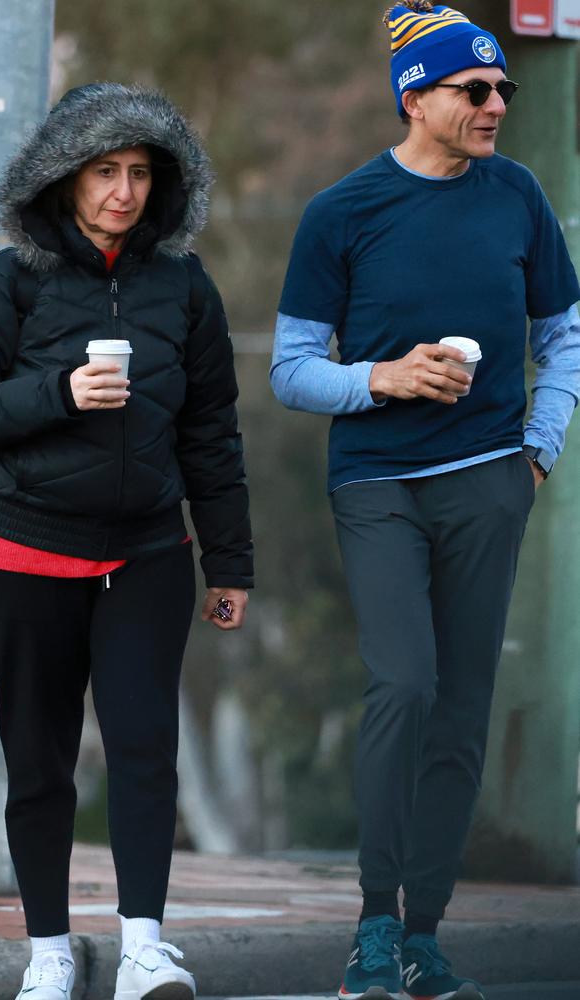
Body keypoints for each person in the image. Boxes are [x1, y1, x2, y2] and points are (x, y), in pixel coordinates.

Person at [271, 4, 580, 999]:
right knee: (402, 684)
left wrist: (537, 447)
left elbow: (562, 334)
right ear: (416, 97)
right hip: (376, 483)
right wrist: (382, 379)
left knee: (458, 709)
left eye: (500, 90)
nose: (495, 105)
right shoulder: (341, 211)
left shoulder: (517, 195)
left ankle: (424, 931)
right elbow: (287, 370)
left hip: (489, 478)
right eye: (473, 90)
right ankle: (371, 923)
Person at [0, 82, 253, 1000]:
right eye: (105, 171)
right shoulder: (7, 282)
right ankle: (47, 954)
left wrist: (228, 561)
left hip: (147, 552)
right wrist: (59, 393)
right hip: (23, 551)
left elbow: (212, 435)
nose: (124, 192)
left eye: (142, 173)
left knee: (146, 749)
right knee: (38, 762)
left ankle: (145, 947)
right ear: (64, 178)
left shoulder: (185, 288)